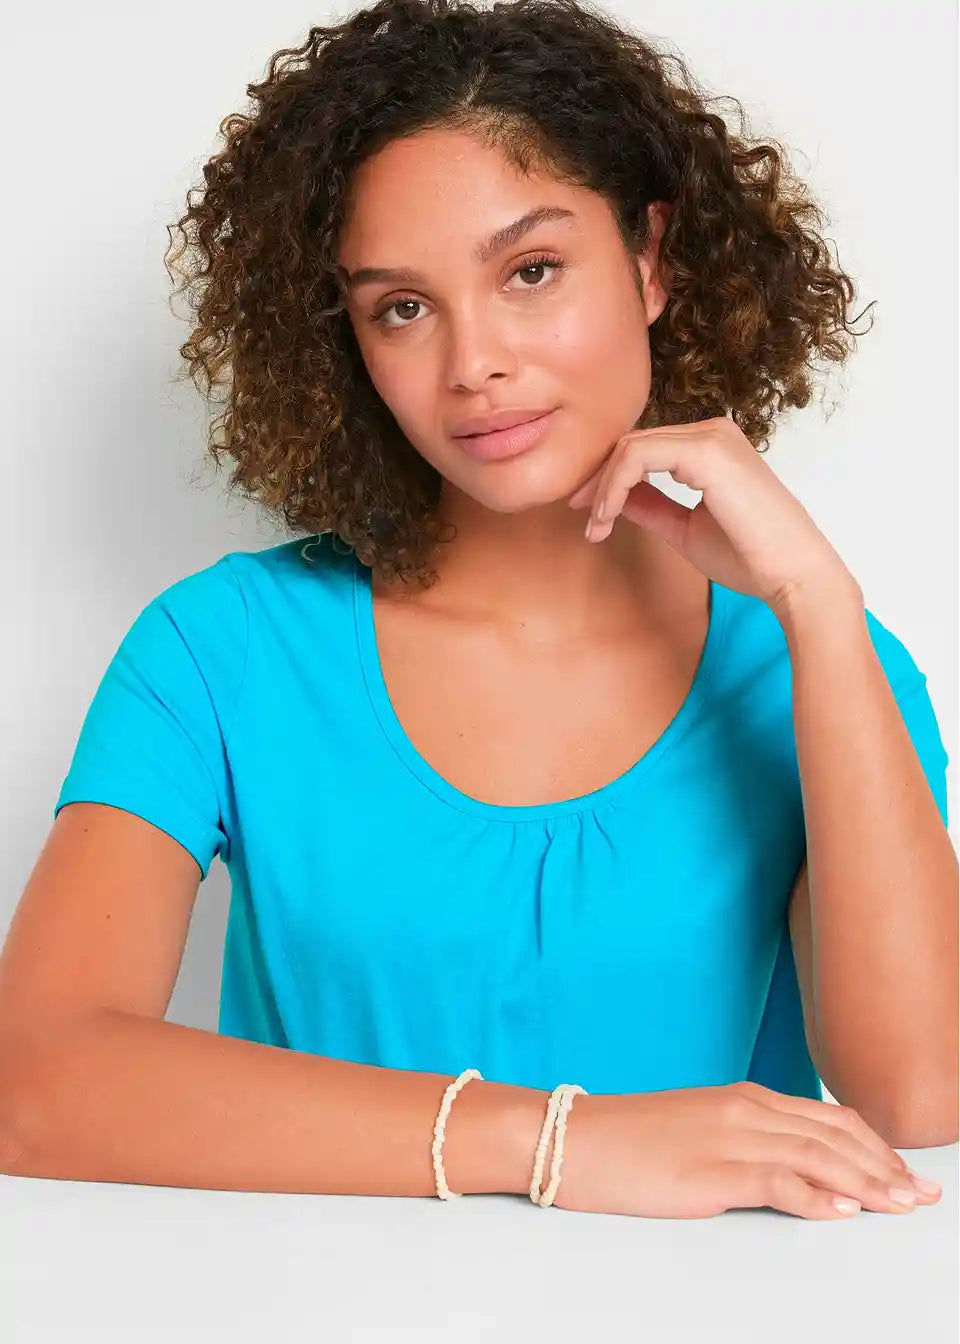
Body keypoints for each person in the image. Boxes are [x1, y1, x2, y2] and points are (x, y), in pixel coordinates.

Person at [1, 0, 953, 1220]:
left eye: (531, 271)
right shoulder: (221, 651)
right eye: (402, 307)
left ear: (652, 260)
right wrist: (556, 1142)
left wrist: (818, 601)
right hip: (317, 1305)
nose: (474, 365)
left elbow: (921, 1098)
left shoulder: (822, 668)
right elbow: (33, 1082)